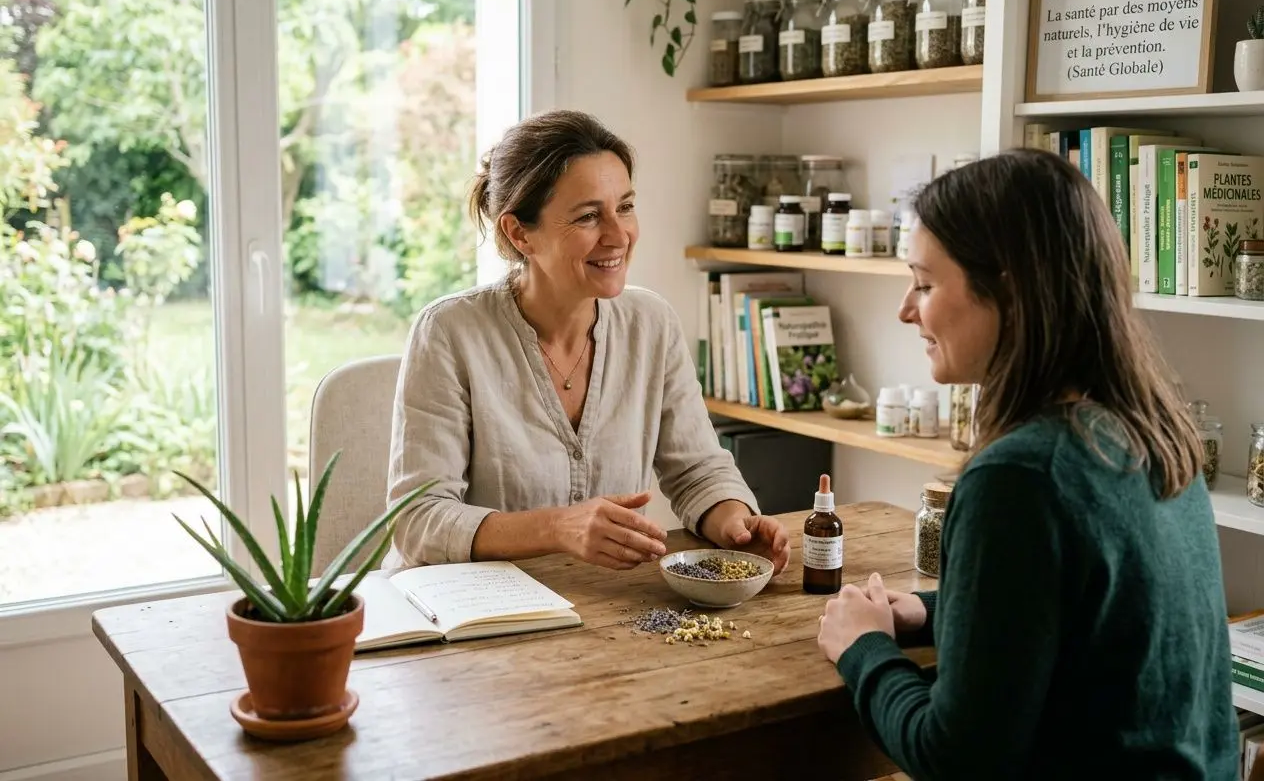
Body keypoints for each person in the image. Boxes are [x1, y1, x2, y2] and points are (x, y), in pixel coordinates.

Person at [816, 149, 1237, 778]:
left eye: (926, 284)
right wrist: (936, 610)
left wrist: (864, 647)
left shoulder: (1018, 477)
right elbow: (1091, 615)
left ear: (1008, 287)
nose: (907, 309)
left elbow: (956, 756)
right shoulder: (1155, 428)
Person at [382, 109, 789, 574]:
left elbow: (697, 469)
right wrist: (558, 528)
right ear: (519, 233)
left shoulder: (651, 323)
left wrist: (737, 523)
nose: (619, 236)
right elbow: (418, 520)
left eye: (626, 207)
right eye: (589, 216)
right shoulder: (449, 332)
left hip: (599, 611)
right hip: (465, 618)